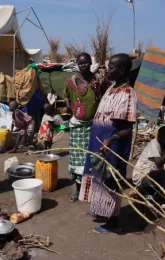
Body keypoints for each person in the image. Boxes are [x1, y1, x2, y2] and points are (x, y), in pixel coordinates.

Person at [81, 54, 137, 233]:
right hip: (99, 144)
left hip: (112, 148)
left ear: (121, 70)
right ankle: (100, 210)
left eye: (111, 67)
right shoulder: (112, 88)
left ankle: (113, 222)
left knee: (110, 181)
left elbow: (128, 128)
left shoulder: (128, 94)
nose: (107, 70)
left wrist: (111, 140)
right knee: (97, 176)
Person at [65, 52, 106, 202]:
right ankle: (77, 189)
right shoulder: (72, 81)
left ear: (90, 63)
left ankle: (90, 189)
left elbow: (101, 99)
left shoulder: (97, 81)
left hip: (92, 125)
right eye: (80, 63)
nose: (83, 65)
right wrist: (72, 110)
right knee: (77, 159)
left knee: (91, 158)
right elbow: (67, 97)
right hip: (77, 126)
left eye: (85, 62)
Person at [132, 126, 165, 198]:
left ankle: (162, 191)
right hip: (142, 176)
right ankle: (155, 193)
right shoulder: (154, 143)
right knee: (161, 173)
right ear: (159, 137)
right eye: (163, 138)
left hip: (156, 175)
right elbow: (158, 163)